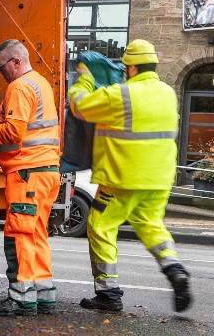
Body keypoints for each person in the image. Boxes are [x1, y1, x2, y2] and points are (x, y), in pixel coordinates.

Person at [67, 39, 192, 314]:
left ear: (132, 68)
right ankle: (174, 269)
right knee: (151, 226)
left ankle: (108, 294)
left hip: (121, 179)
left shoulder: (120, 95)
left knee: (100, 227)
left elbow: (80, 106)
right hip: (159, 178)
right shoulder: (168, 94)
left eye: (126, 68)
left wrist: (85, 79)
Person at [0, 39, 62, 316]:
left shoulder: (19, 87)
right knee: (36, 233)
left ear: (16, 62)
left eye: (2, 67)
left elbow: (13, 133)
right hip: (47, 172)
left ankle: (21, 298)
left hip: (27, 172)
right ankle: (43, 295)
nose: (0, 73)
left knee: (18, 234)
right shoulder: (40, 83)